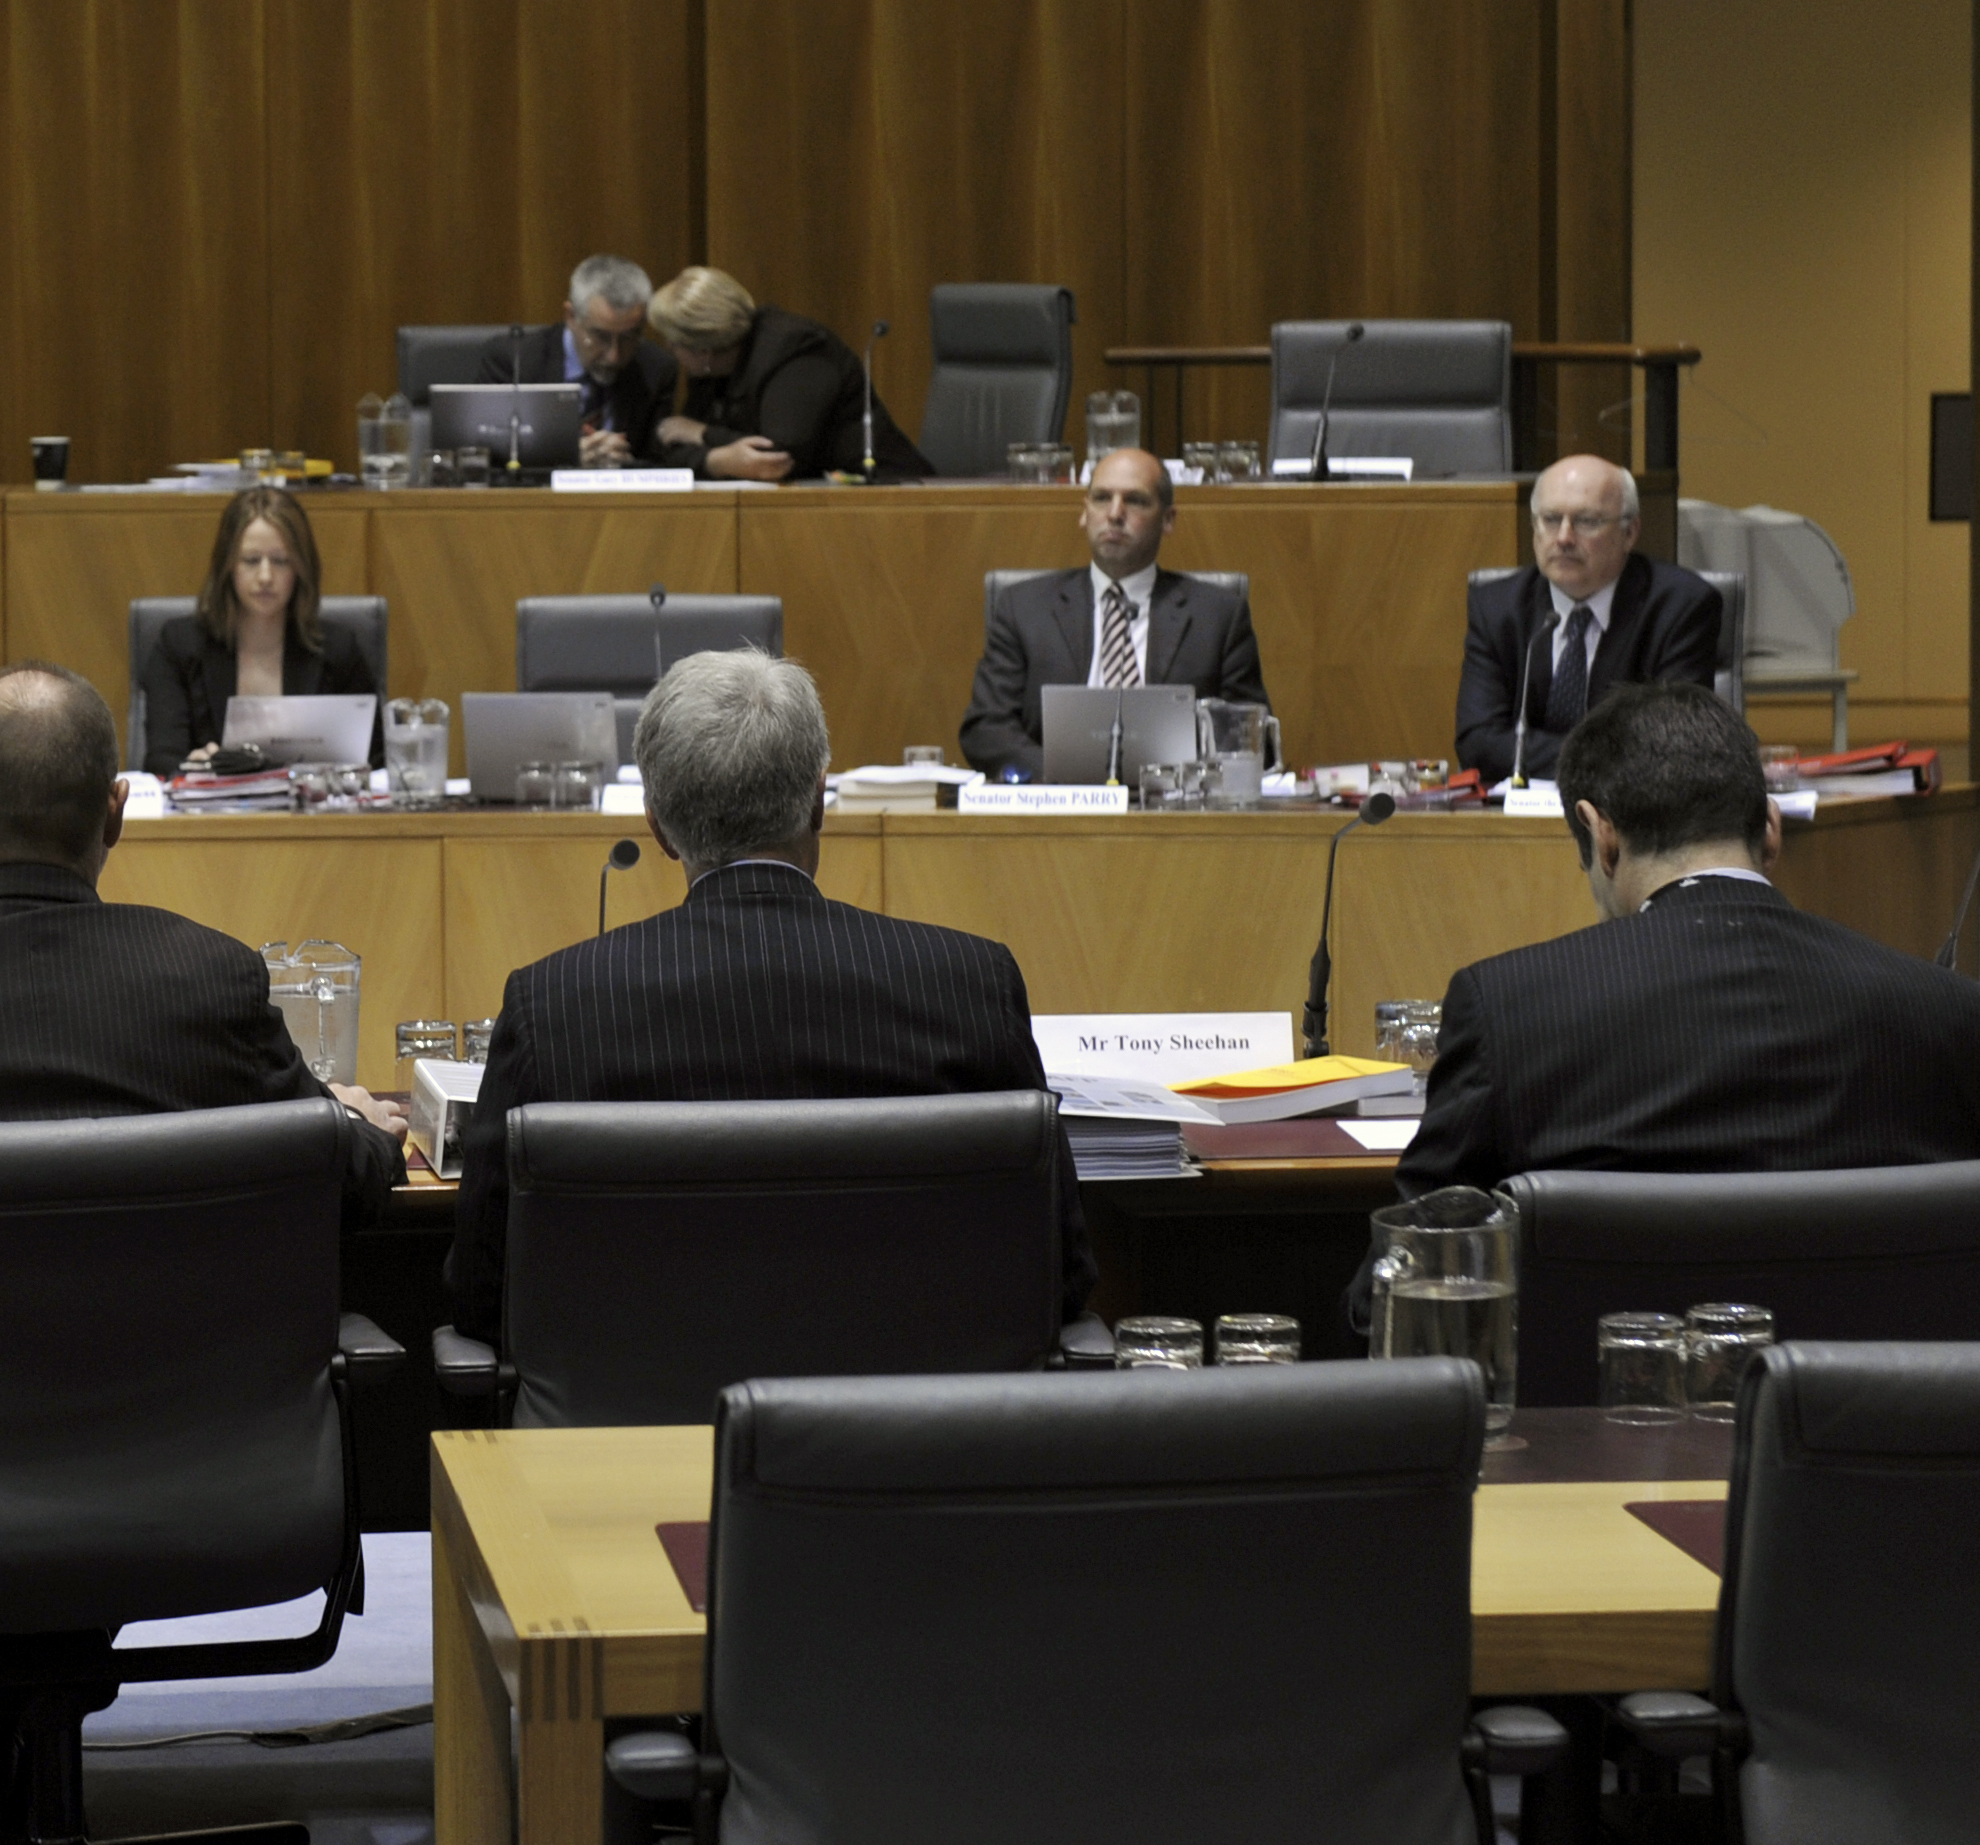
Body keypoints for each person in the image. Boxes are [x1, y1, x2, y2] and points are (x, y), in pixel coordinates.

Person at [0, 663, 406, 1845]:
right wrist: (350, 1124)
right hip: (190, 1478)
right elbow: (345, 1182)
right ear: (116, 812)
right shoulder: (203, 985)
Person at [444, 648, 1081, 1338]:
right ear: (818, 800)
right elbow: (1060, 1270)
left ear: (656, 825)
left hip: (636, 1432)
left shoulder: (555, 1008)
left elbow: (482, 1293)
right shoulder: (970, 984)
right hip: (914, 1429)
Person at [1392, 683, 1980, 1195]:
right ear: (1771, 829)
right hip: (1874, 1348)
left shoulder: (1509, 1011)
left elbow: (1414, 1275)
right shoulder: (1956, 1017)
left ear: (1600, 836)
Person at [960, 448, 1271, 775]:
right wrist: (1062, 778)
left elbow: (1250, 736)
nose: (1115, 513)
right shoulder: (1023, 608)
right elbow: (986, 729)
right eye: (1102, 498)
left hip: (1174, 809)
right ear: (1084, 513)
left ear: (1168, 519)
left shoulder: (1218, 616)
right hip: (1055, 807)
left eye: (1135, 500)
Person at [1452, 454, 1724, 782]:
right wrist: (1607, 756)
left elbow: (1674, 745)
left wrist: (1535, 755)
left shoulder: (1679, 606)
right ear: (1535, 528)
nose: (1564, 537)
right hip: (1520, 820)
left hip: (1633, 817)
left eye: (1587, 521)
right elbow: (1478, 744)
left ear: (1629, 532)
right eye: (1551, 519)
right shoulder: (1498, 607)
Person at [140, 484, 382, 777]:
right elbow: (162, 762)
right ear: (228, 566)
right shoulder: (179, 645)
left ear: (301, 568)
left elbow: (376, 762)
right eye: (251, 560)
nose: (266, 576)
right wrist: (196, 765)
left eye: (280, 561)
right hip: (214, 817)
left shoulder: (338, 649)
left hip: (311, 815)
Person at [642, 264, 931, 483]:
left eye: (673, 343)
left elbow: (777, 459)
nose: (668, 349)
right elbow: (669, 446)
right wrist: (717, 460)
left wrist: (702, 433)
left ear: (701, 349)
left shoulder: (797, 350)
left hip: (883, 493)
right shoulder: (708, 369)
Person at [466, 254, 677, 469]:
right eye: (600, 337)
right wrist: (564, 458)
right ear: (571, 316)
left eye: (629, 337)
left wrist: (625, 464)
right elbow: (480, 453)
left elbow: (660, 462)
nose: (614, 355)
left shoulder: (656, 368)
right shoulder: (515, 360)